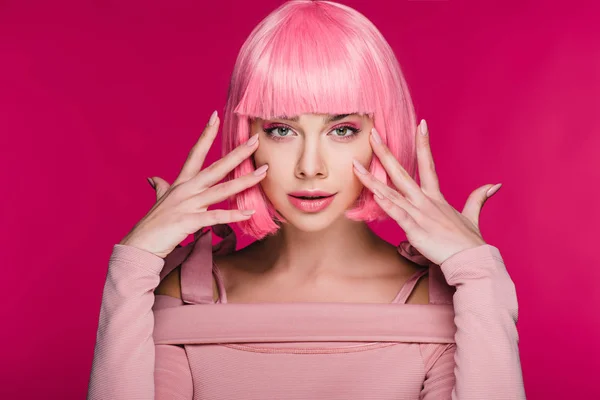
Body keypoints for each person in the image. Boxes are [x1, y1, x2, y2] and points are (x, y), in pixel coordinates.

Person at [87, 1, 525, 399]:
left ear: (383, 135)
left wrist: (479, 275)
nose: (310, 166)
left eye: (342, 129)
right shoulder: (189, 293)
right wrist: (134, 264)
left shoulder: (437, 299)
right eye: (281, 129)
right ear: (248, 139)